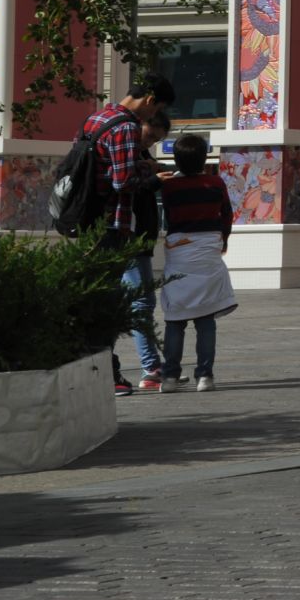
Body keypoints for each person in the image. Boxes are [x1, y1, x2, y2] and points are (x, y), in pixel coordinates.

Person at [87, 73, 175, 397]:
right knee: (118, 304)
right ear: (150, 101)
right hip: (116, 226)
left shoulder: (97, 118)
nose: (153, 118)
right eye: (157, 109)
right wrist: (150, 175)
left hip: (91, 224)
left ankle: (102, 370)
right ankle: (109, 373)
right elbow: (122, 183)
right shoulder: (125, 126)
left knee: (102, 300)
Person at [157, 133, 237, 393]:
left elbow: (167, 216)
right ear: (204, 158)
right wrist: (223, 240)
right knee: (205, 318)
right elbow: (227, 214)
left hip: (179, 250)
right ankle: (205, 376)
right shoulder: (215, 183)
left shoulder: (168, 186)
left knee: (175, 318)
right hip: (208, 251)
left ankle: (169, 377)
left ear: (176, 160)